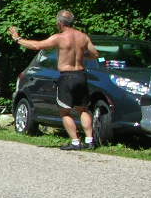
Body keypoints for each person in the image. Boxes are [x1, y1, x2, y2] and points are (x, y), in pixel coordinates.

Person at [9, 10, 100, 150]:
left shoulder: (60, 37)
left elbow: (37, 46)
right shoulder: (83, 37)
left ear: (59, 23)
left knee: (65, 111)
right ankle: (89, 140)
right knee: (83, 109)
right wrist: (81, 55)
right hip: (81, 75)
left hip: (67, 76)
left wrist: (17, 38)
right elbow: (95, 54)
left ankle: (75, 142)